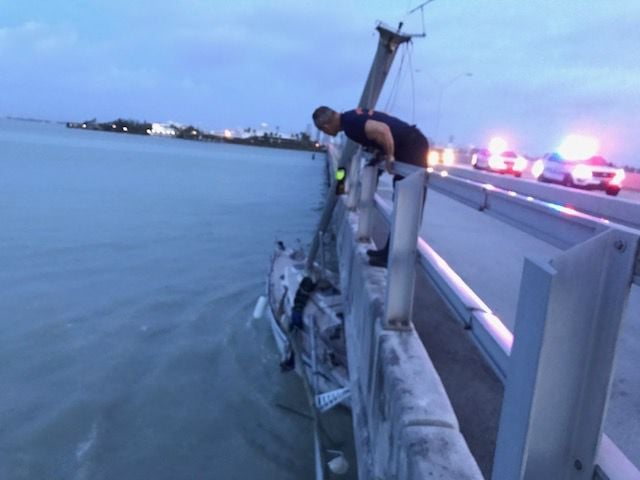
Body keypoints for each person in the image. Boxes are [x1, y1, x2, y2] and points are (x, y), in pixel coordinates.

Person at [312, 106, 429, 267]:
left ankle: (396, 257)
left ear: (325, 127)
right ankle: (388, 251)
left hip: (412, 146)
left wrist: (390, 155)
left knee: (408, 202)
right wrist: (380, 151)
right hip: (411, 143)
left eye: (323, 131)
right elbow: (380, 127)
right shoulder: (350, 117)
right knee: (401, 200)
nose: (326, 134)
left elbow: (383, 129)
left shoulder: (350, 125)